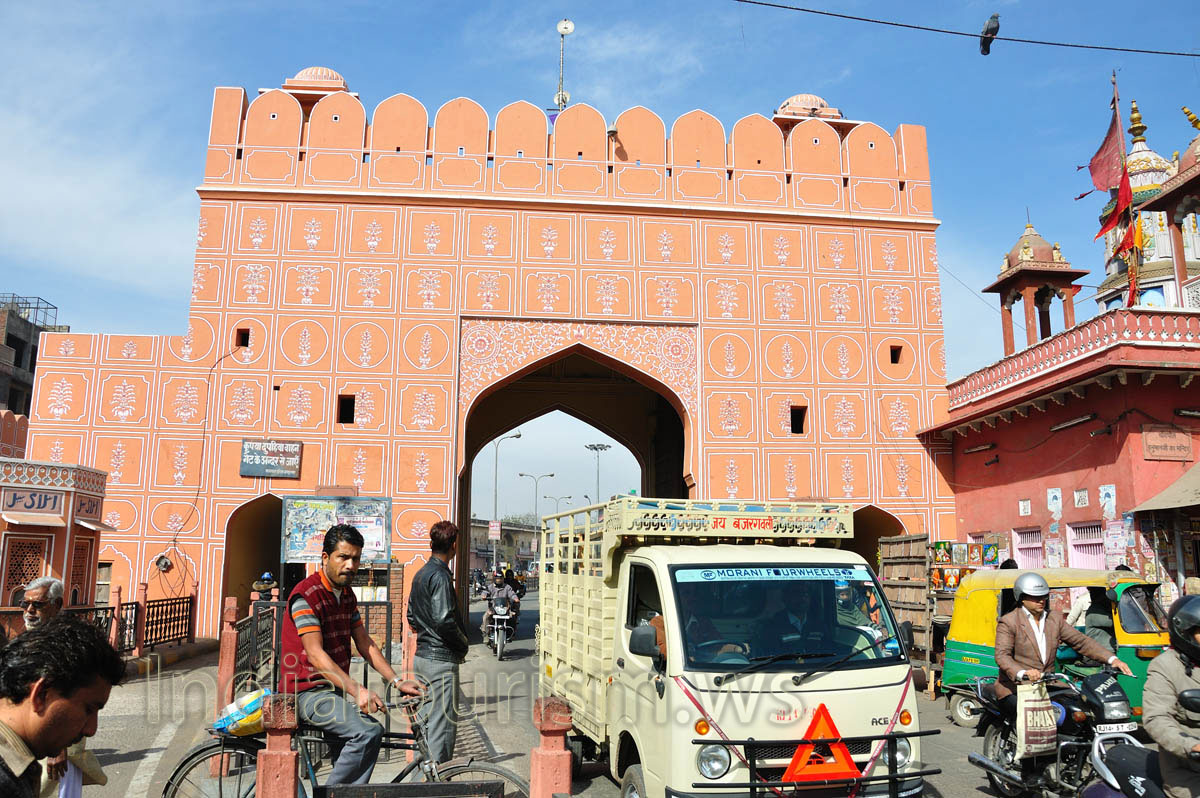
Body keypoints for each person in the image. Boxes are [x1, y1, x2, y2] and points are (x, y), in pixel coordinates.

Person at [278, 524, 421, 786]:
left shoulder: (346, 595)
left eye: (355, 558)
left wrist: (397, 681)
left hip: (331, 691)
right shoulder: (305, 596)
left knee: (353, 748)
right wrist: (359, 691)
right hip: (305, 692)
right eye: (343, 557)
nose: (350, 565)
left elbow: (365, 643)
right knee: (369, 732)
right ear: (325, 558)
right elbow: (315, 654)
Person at [0, 616, 124, 798]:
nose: (91, 730)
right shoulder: (6, 783)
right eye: (88, 710)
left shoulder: (18, 767)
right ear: (41, 694)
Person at [994, 573, 1133, 715]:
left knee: (1081, 711)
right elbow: (1002, 655)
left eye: (1043, 596)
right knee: (1033, 720)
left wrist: (1112, 659)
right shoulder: (1009, 621)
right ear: (1022, 597)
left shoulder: (1054, 618)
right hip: (1017, 686)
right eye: (1035, 597)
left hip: (1048, 684)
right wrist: (1023, 673)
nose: (1041, 600)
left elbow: (1081, 641)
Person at [407, 520, 470, 763]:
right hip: (440, 661)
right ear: (453, 545)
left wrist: (426, 632)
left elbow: (411, 615)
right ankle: (436, 783)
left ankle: (424, 781)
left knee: (425, 724)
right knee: (441, 729)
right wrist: (462, 643)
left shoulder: (421, 574)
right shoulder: (441, 576)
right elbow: (444, 619)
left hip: (422, 657)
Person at [1142, 595, 1200, 798]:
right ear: (1184, 632)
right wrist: (1191, 746)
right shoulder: (1165, 666)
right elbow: (1156, 718)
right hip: (1189, 771)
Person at [481, 570, 521, 639]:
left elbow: (512, 593)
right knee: (486, 617)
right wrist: (484, 595)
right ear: (494, 579)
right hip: (493, 608)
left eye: (500, 579)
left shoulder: (507, 587)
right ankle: (486, 634)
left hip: (505, 608)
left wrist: (515, 598)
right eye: (497, 579)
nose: (499, 580)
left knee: (513, 616)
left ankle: (511, 633)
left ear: (503, 579)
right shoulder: (490, 587)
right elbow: (485, 591)